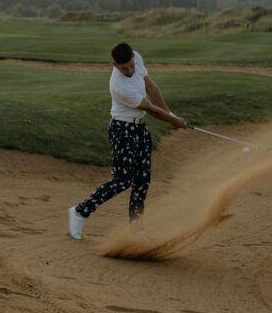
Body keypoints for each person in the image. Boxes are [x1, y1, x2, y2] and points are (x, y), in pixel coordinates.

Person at [68, 42, 188, 240]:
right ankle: (80, 211)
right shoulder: (119, 86)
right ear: (115, 65)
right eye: (124, 68)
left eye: (131, 65)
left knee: (142, 181)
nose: (130, 70)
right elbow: (149, 107)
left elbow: (149, 85)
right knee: (122, 181)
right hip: (122, 129)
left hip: (140, 128)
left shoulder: (137, 58)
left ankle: (136, 231)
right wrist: (173, 121)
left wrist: (170, 113)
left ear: (133, 57)